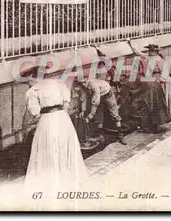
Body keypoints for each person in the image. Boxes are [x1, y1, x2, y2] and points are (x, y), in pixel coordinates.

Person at [22, 65, 87, 196]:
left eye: (29, 81)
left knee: (48, 147)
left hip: (47, 120)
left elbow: (35, 113)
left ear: (34, 78)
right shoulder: (58, 83)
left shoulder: (32, 91)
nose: (28, 85)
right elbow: (66, 103)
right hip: (63, 119)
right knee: (64, 146)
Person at [131, 43, 171, 119]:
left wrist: (160, 80)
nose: (150, 52)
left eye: (152, 51)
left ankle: (167, 114)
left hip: (163, 81)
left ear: (156, 52)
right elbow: (139, 53)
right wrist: (131, 44)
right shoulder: (148, 57)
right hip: (154, 79)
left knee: (163, 97)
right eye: (150, 50)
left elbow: (165, 72)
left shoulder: (159, 60)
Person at [77, 78, 127, 145]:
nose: (83, 84)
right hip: (100, 95)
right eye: (81, 83)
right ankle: (101, 135)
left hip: (108, 93)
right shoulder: (83, 86)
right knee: (98, 114)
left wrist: (90, 115)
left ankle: (121, 135)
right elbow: (83, 97)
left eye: (84, 82)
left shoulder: (93, 84)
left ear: (87, 80)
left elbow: (95, 102)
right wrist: (83, 110)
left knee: (114, 114)